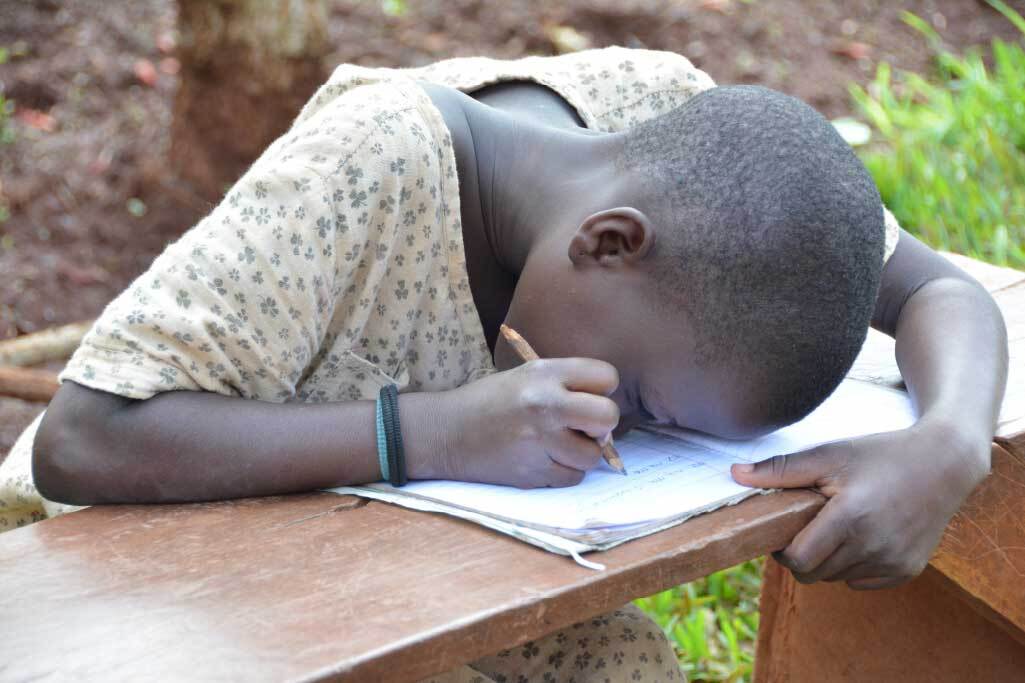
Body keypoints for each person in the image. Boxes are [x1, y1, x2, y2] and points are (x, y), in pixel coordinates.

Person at [0, 47, 1007, 681]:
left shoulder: (682, 146)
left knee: (628, 668)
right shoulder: (368, 170)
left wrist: (948, 439)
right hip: (168, 557)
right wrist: (430, 430)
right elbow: (86, 441)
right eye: (645, 402)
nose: (625, 434)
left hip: (410, 559)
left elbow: (933, 290)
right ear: (608, 243)